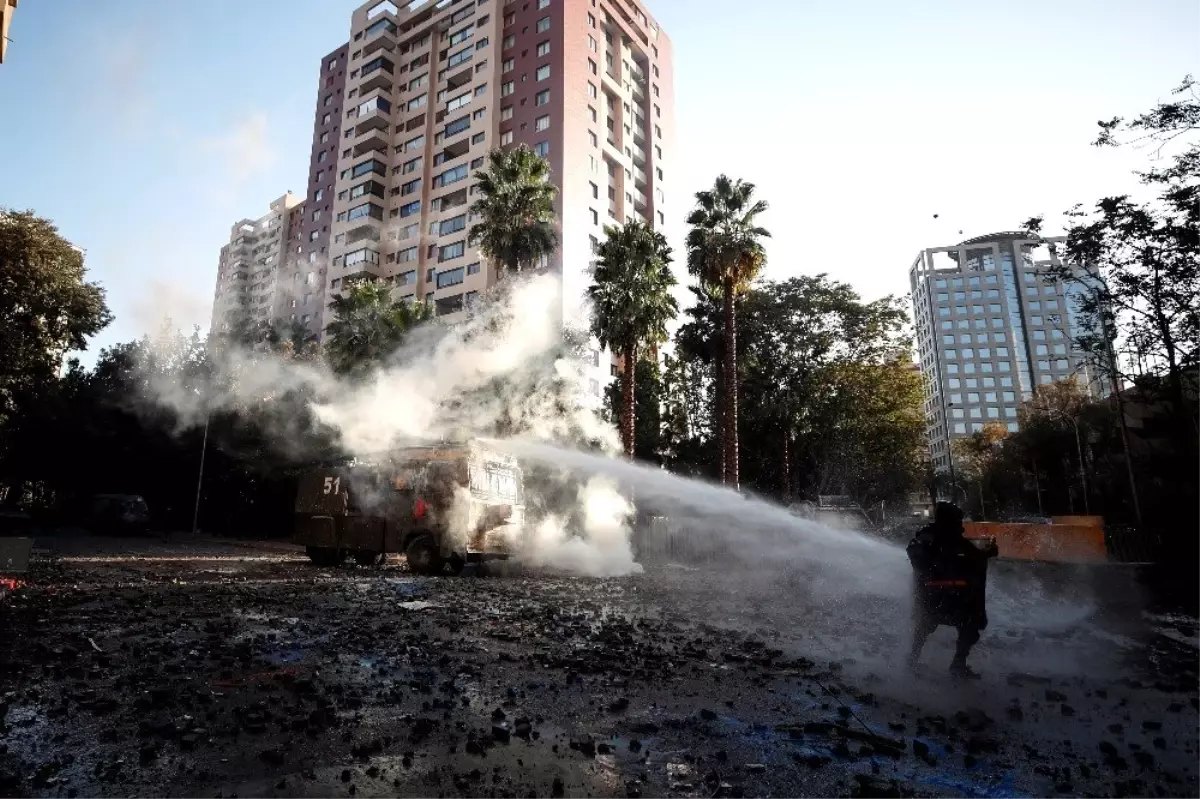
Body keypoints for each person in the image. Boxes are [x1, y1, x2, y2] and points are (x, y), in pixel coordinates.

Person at [906, 501, 999, 679]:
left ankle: (912, 659)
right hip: (955, 594)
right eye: (958, 520)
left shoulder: (924, 535)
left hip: (929, 594)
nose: (960, 524)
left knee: (924, 626)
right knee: (969, 627)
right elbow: (976, 556)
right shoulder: (952, 538)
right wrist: (990, 552)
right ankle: (958, 664)